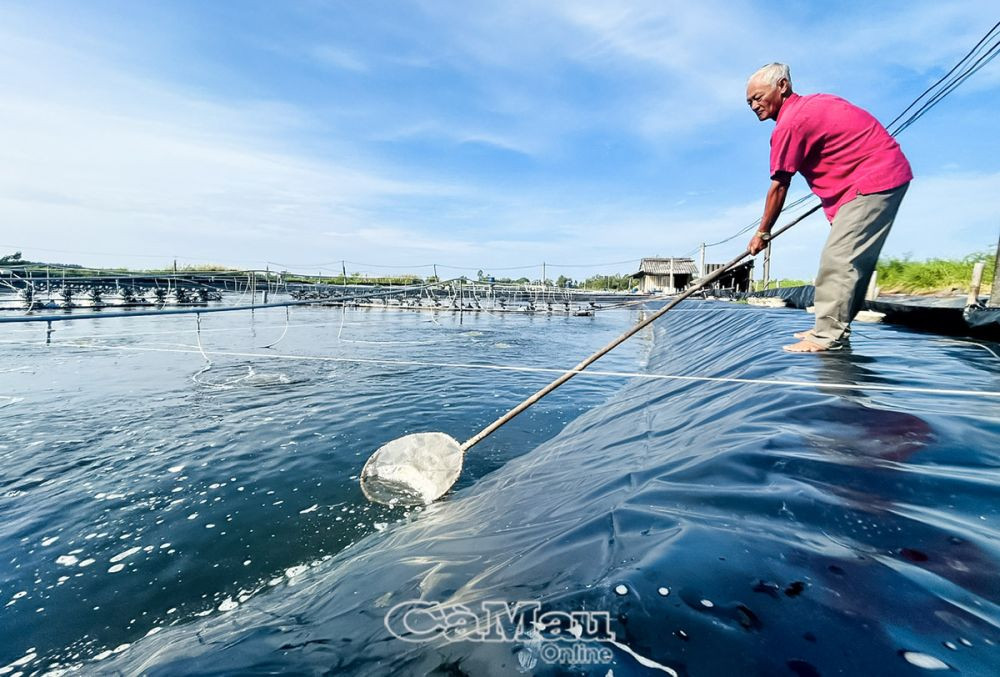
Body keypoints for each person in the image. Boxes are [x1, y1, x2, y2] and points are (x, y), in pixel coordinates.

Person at [745, 63, 912, 352]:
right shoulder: (816, 103)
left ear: (782, 86)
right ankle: (831, 327)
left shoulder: (790, 123)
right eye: (749, 102)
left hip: (872, 180)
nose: (753, 105)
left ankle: (826, 335)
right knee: (852, 261)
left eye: (758, 97)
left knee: (838, 259)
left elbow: (779, 185)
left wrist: (763, 232)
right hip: (872, 179)